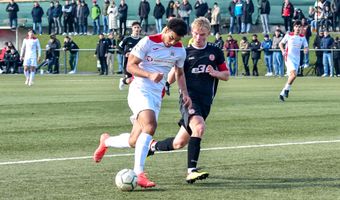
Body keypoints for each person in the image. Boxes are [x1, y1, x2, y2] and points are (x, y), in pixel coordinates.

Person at [93, 18, 191, 188]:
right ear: (166, 29)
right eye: (172, 37)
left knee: (134, 140)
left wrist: (184, 93)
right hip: (140, 89)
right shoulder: (148, 41)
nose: (173, 42)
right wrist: (149, 75)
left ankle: (106, 141)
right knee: (151, 125)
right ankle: (139, 174)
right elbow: (130, 66)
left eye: (177, 39)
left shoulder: (180, 50)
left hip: (156, 95)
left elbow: (179, 73)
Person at [148, 17, 229, 184]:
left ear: (208, 34)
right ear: (191, 33)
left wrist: (215, 73)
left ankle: (151, 146)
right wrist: (161, 85)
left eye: (203, 35)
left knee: (179, 143)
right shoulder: (183, 52)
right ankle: (191, 171)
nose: (199, 38)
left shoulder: (215, 52)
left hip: (206, 102)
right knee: (199, 127)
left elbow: (226, 75)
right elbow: (172, 77)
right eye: (196, 34)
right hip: (189, 100)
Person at [279, 20, 308, 102]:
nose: (298, 28)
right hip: (289, 57)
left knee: (292, 76)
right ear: (293, 27)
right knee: (294, 75)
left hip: (297, 59)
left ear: (301, 28)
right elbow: (281, 44)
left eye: (299, 26)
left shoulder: (302, 37)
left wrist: (306, 50)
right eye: (296, 26)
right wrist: (283, 51)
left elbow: (306, 46)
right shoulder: (288, 35)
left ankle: (284, 92)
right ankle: (285, 90)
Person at [118, 21, 141, 90]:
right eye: (135, 27)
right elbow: (119, 47)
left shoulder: (142, 40)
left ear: (140, 29)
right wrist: (125, 53)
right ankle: (123, 80)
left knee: (139, 80)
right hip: (128, 62)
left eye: (138, 27)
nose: (136, 29)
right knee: (129, 80)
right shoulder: (127, 39)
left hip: (138, 62)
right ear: (132, 28)